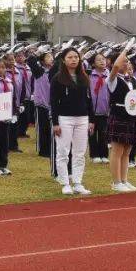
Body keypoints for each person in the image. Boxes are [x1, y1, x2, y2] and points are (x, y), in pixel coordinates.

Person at [51, 46, 93, 195]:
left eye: (76, 57)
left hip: (82, 118)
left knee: (80, 152)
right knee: (63, 151)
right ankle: (65, 183)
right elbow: (54, 102)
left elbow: (89, 100)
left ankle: (77, 182)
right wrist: (55, 123)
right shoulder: (58, 79)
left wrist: (91, 120)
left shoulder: (84, 77)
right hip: (64, 119)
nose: (73, 59)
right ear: (63, 60)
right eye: (70, 57)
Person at [106, 41, 136, 192]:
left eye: (128, 61)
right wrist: (126, 49)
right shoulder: (112, 79)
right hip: (119, 115)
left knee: (127, 151)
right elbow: (115, 67)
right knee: (117, 150)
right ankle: (116, 182)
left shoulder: (133, 80)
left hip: (132, 117)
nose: (126, 63)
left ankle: (124, 180)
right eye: (124, 61)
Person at [88, 53, 111, 164]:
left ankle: (104, 154)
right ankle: (94, 154)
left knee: (103, 134)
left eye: (103, 59)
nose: (102, 61)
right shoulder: (89, 76)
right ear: (93, 63)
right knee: (92, 134)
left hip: (105, 110)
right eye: (98, 60)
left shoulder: (110, 75)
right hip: (92, 111)